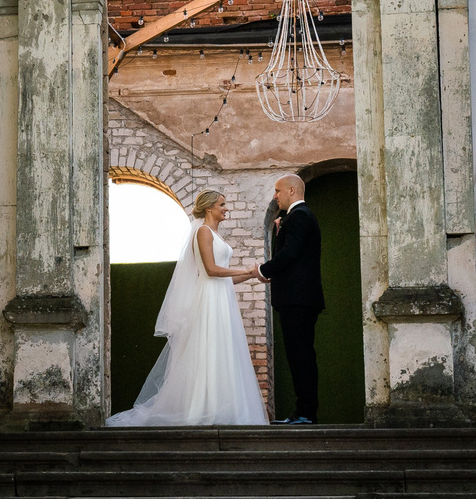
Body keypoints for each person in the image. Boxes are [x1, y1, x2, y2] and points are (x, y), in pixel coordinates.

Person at [107, 190, 270, 427]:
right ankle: (201, 409)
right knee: (208, 350)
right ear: (209, 208)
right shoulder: (203, 232)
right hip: (209, 300)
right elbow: (211, 270)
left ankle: (223, 408)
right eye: (222, 204)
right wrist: (248, 270)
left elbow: (225, 278)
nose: (226, 208)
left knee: (222, 351)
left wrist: (252, 276)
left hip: (221, 298)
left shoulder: (215, 234)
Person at [261, 173, 325, 425]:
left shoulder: (299, 216)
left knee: (301, 356)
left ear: (291, 190)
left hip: (298, 299)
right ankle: (304, 411)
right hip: (298, 298)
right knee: (300, 355)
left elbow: (289, 254)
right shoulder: (298, 218)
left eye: (278, 191)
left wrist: (263, 270)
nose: (275, 196)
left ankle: (305, 413)